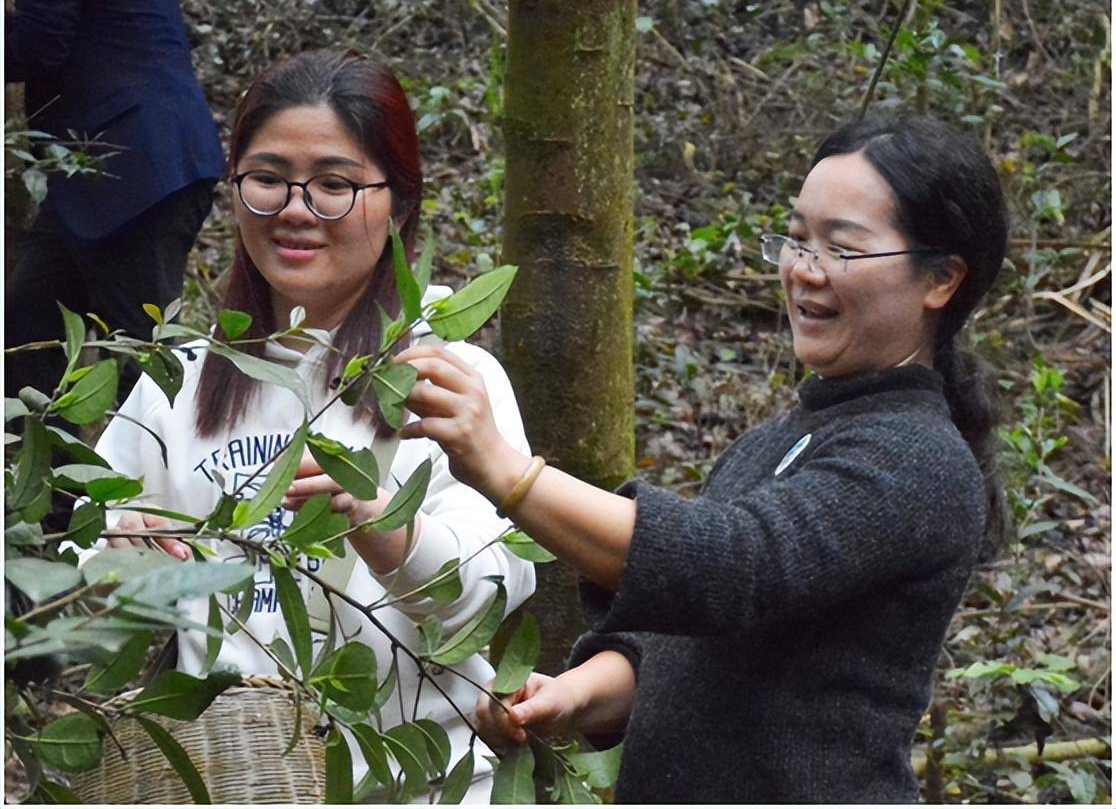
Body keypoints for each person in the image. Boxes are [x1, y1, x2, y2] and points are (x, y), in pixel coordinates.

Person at [396, 115, 1009, 803]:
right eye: (797, 239)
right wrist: (574, 696)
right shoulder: (773, 443)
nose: (804, 272)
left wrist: (505, 471)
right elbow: (678, 639)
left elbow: (734, 566)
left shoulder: (920, 460)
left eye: (842, 249)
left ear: (941, 279)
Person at [82, 49, 535, 801]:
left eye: (335, 184)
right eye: (267, 179)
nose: (296, 208)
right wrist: (118, 554)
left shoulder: (447, 379)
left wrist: (384, 528)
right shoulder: (182, 380)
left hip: (417, 786)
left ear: (399, 201)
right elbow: (86, 563)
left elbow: (490, 590)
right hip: (237, 781)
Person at [5, 0, 224, 407]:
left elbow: (40, 43)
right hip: (110, 168)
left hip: (134, 165)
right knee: (24, 329)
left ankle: (162, 470)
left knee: (143, 357)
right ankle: (47, 472)